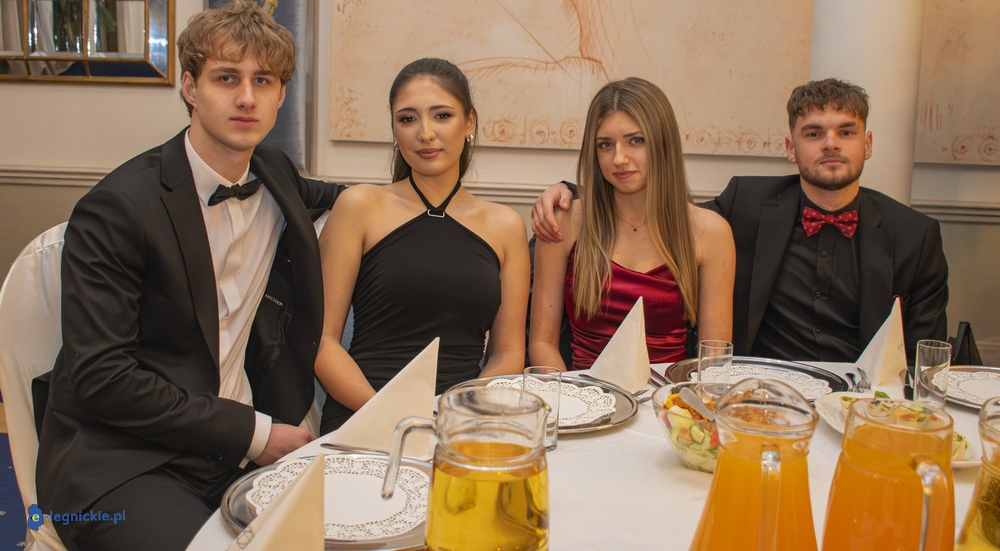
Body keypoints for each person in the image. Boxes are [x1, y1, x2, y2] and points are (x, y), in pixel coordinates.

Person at [34, 2, 345, 551]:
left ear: (280, 95)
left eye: (263, 81)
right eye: (226, 78)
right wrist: (257, 433)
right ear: (190, 87)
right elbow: (102, 378)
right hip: (123, 463)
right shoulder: (118, 208)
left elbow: (359, 202)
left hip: (230, 455)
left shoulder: (275, 174)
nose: (246, 97)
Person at [533, 78, 949, 363]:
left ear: (868, 144)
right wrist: (566, 191)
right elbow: (645, 205)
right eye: (813, 133)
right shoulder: (745, 202)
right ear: (790, 147)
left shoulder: (914, 236)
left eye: (846, 132)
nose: (830, 145)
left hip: (855, 402)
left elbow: (923, 358)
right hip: (759, 390)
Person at [314, 57, 529, 433]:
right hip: (363, 412)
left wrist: (459, 415)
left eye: (442, 116)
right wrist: (389, 416)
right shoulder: (359, 206)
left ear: (470, 123)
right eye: (408, 118)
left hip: (462, 422)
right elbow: (322, 342)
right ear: (394, 129)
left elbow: (508, 353)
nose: (425, 133)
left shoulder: (505, 226)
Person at [528, 77, 734, 370]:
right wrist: (573, 396)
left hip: (669, 394)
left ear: (663, 143)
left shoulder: (710, 233)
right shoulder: (565, 222)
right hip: (581, 391)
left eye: (636, 140)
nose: (619, 158)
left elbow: (713, 358)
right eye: (605, 145)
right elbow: (542, 344)